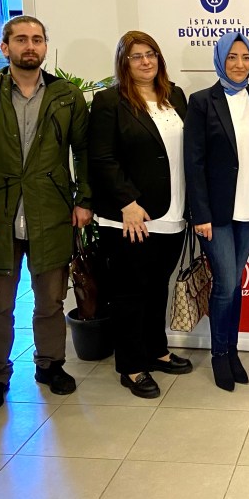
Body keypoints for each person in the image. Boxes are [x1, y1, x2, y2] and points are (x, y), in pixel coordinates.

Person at [0, 15, 93, 412]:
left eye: (37, 39)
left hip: (51, 210)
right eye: (20, 39)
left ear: (45, 46)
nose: (29, 46)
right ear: (5, 47)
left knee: (50, 300)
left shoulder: (67, 96)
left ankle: (50, 365)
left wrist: (84, 199)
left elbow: (83, 152)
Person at [89, 31, 192, 399]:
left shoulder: (174, 95)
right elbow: (102, 158)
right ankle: (132, 366)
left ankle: (156, 350)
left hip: (172, 211)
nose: (146, 61)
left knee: (157, 285)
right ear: (124, 62)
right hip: (131, 217)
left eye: (151, 54)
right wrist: (127, 202)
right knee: (130, 291)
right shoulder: (109, 101)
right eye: (136, 56)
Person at [184, 32, 249, 391]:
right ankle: (219, 354)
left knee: (234, 283)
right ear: (220, 60)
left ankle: (232, 350)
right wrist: (201, 214)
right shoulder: (201, 102)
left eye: (245, 57)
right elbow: (194, 162)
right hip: (217, 213)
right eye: (232, 57)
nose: (239, 64)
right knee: (225, 284)